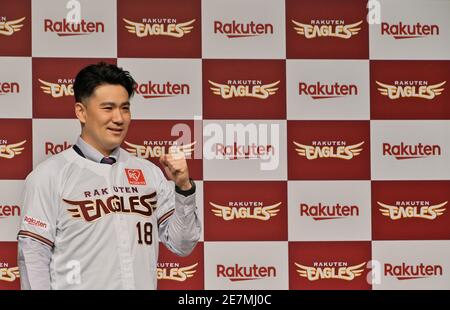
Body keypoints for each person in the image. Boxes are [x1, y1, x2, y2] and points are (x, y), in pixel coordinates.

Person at [17, 62, 201, 290]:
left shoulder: (149, 173)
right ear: (81, 112)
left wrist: (183, 187)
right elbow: (33, 256)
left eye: (125, 108)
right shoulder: (48, 175)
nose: (119, 118)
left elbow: (182, 245)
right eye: (108, 108)